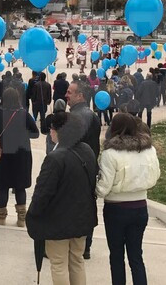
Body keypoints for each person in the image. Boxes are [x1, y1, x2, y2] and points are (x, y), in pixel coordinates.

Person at [26, 110, 98, 285]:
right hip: (82, 217)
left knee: (58, 264)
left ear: (60, 131)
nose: (50, 132)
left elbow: (43, 193)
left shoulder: (55, 158)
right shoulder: (87, 150)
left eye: (52, 128)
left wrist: (33, 214)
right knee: (77, 261)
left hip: (58, 220)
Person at [96, 113, 161, 285]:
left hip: (116, 209)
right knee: (136, 255)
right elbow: (156, 175)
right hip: (140, 207)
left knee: (116, 255)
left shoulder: (110, 154)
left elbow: (104, 186)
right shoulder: (149, 150)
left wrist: (95, 191)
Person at [65, 79, 101, 259]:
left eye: (69, 92)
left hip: (79, 169)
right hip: (86, 167)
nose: (66, 95)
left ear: (80, 96)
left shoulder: (81, 116)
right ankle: (83, 246)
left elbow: (73, 141)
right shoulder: (84, 114)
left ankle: (81, 246)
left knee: (79, 207)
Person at [0, 88, 38, 227]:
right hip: (21, 155)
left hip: (3, 154)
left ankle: (1, 218)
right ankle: (21, 219)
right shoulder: (24, 114)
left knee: (2, 186)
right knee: (20, 187)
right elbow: (35, 133)